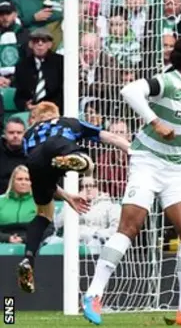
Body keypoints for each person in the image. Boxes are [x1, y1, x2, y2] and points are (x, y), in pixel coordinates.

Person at [82, 35, 181, 326]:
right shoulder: (166, 82)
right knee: (130, 227)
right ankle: (93, 294)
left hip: (176, 170)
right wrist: (155, 121)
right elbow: (129, 90)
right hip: (147, 163)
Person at [16, 101, 131, 293]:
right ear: (56, 114)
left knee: (44, 214)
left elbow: (47, 182)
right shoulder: (68, 122)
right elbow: (110, 136)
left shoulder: (28, 135)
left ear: (35, 118)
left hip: (35, 161)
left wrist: (68, 197)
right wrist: (132, 151)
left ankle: (28, 258)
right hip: (58, 144)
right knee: (89, 166)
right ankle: (75, 159)